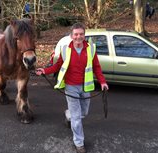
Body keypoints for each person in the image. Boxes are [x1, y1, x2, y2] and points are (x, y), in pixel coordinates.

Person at [36, 22, 109, 153]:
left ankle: (68, 114)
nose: (78, 37)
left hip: (86, 87)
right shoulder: (65, 49)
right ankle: (79, 143)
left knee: (83, 113)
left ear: (84, 35)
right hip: (71, 87)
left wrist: (103, 82)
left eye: (81, 34)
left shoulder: (91, 49)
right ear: (71, 35)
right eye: (76, 34)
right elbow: (57, 66)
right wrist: (45, 71)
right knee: (76, 118)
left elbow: (97, 67)